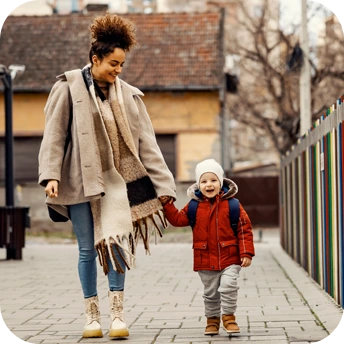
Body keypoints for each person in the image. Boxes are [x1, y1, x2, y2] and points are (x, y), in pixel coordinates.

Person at [38, 13, 176, 339]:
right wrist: (50, 176)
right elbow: (54, 136)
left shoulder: (129, 95)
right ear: (95, 58)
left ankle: (117, 316)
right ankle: (91, 318)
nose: (118, 70)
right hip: (78, 182)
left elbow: (147, 145)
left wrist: (164, 185)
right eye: (113, 63)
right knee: (87, 249)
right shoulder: (67, 87)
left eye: (122, 65)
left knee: (115, 244)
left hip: (118, 183)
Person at [160, 159, 255, 336]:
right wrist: (167, 205)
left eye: (213, 180)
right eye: (204, 181)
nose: (208, 185)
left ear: (221, 182)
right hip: (205, 258)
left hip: (230, 257)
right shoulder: (194, 206)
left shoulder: (233, 205)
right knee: (210, 293)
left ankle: (229, 317)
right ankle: (212, 320)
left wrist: (246, 252)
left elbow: (244, 229)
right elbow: (178, 220)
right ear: (198, 184)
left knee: (228, 285)